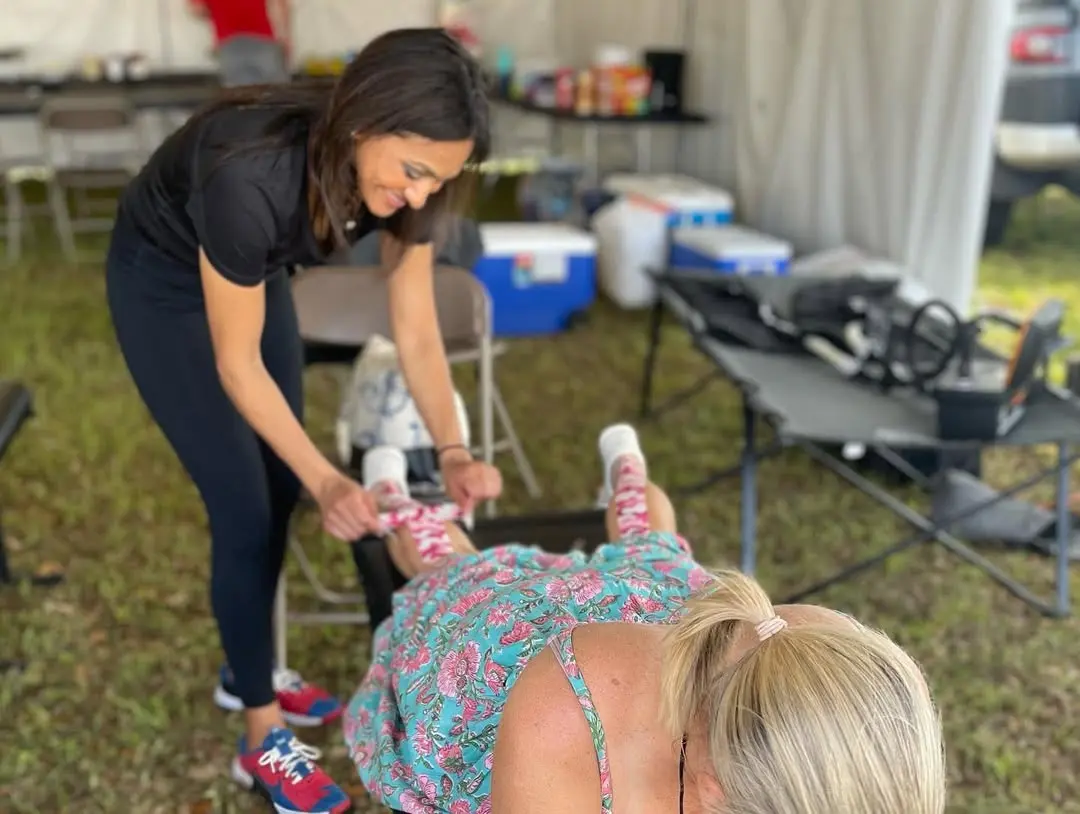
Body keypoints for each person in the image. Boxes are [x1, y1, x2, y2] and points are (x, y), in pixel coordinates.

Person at [104, 28, 501, 814]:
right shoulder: (247, 172)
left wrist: (453, 446)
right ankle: (258, 738)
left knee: (283, 484)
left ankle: (245, 662)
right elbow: (237, 365)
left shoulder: (408, 181)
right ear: (362, 124)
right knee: (245, 510)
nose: (422, 195)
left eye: (441, 178)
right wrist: (330, 477)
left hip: (254, 276)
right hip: (165, 290)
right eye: (414, 171)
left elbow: (414, 329)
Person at [344, 424, 947, 813]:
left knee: (652, 544)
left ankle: (627, 463)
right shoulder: (550, 728)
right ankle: (394, 491)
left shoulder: (836, 672)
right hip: (497, 649)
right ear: (714, 789)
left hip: (654, 609)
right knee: (448, 562)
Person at [189, 0, 291, 87]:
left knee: (240, 99)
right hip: (263, 39)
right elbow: (280, 5)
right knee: (278, 97)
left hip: (229, 43)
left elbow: (198, 10)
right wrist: (285, 37)